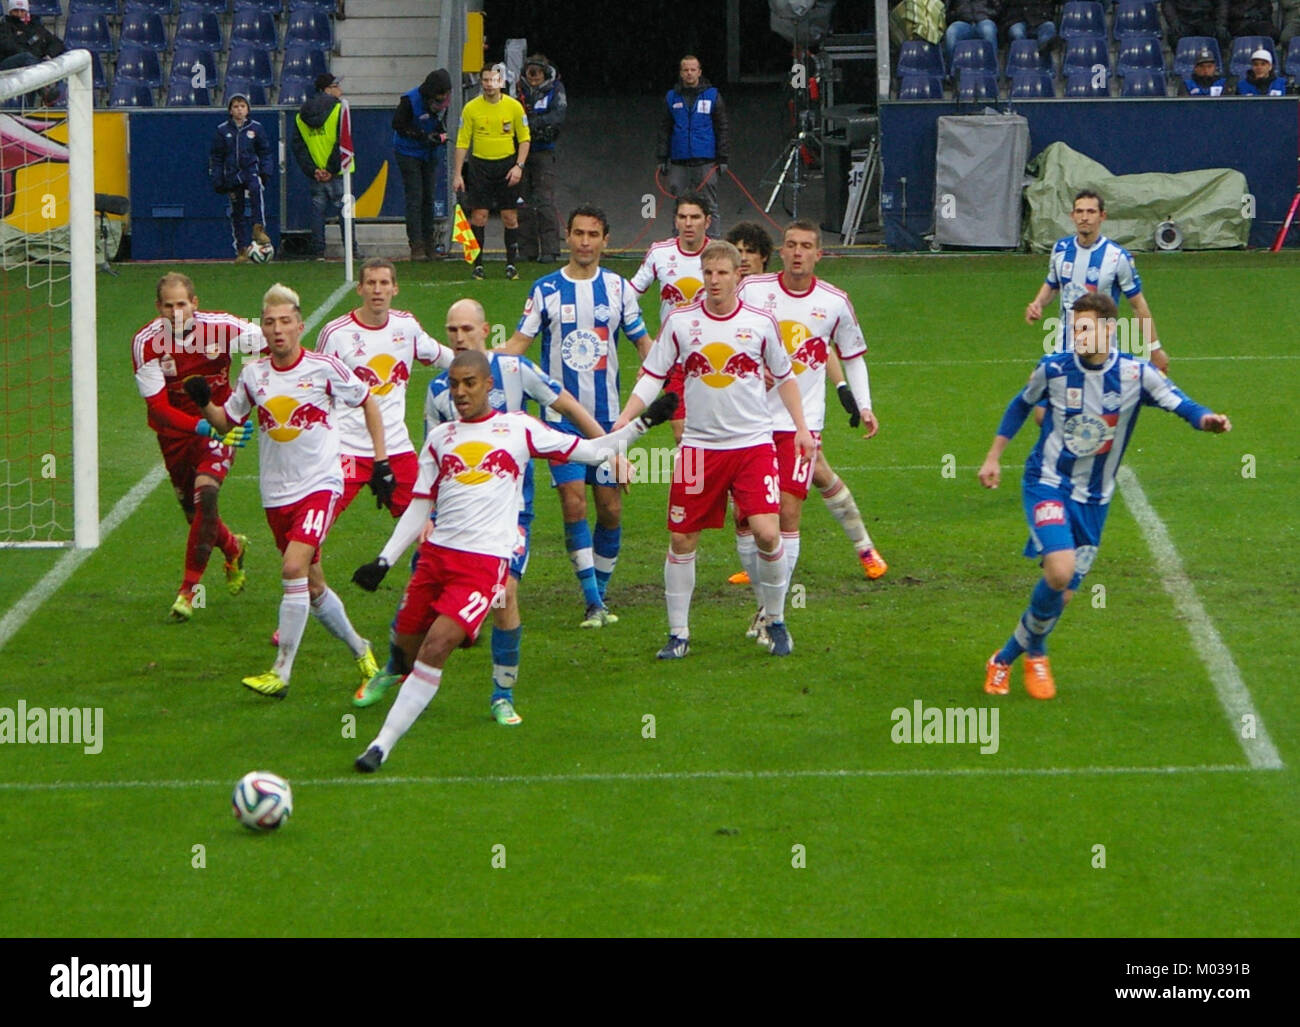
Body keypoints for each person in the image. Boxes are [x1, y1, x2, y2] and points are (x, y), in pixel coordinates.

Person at [349, 350, 678, 772]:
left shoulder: (519, 428)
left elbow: (596, 451)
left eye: (469, 383)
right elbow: (419, 504)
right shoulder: (440, 439)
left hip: (483, 564)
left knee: (437, 645)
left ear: (489, 385)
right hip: (435, 559)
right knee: (407, 649)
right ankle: (409, 664)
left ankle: (380, 746)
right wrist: (384, 559)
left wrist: (645, 422)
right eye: (454, 385)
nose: (461, 392)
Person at [355, 297, 614, 723]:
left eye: (466, 329)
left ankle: (501, 694)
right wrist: (431, 515)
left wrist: (610, 448)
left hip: (510, 519)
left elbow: (566, 405)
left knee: (505, 597)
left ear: (485, 329)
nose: (458, 338)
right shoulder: (440, 390)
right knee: (417, 601)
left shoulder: (515, 370)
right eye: (451, 330)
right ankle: (394, 667)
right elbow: (434, 462)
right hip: (453, 522)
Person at [978, 292, 1232, 699]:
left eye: (1086, 327)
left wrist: (1208, 421)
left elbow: (1180, 402)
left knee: (1065, 594)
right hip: (1047, 482)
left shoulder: (1136, 374)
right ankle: (1011, 661)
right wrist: (994, 457)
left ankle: (1022, 653)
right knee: (1059, 572)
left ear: (1110, 330)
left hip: (1095, 498)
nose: (1078, 335)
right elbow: (1020, 405)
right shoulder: (1054, 369)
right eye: (1074, 327)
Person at [186, 283, 394, 700]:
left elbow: (368, 401)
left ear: (300, 325)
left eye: (285, 322)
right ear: (262, 329)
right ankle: (363, 651)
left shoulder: (323, 369)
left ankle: (281, 672)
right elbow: (228, 423)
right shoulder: (254, 375)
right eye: (269, 323)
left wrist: (381, 459)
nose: (277, 330)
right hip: (276, 494)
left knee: (292, 568)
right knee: (313, 586)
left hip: (320, 485)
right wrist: (204, 404)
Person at [614, 241, 815, 660]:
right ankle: (678, 634)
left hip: (752, 446)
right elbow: (653, 376)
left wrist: (800, 428)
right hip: (698, 448)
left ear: (738, 275)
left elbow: (786, 377)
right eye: (708, 274)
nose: (714, 281)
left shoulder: (760, 322)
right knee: (682, 538)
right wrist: (624, 423)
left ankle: (775, 620)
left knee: (767, 531)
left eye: (723, 273)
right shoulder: (681, 324)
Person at [730, 221, 880, 641]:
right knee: (745, 517)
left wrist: (862, 404)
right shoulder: (754, 291)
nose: (798, 253)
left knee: (786, 514)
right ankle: (765, 604)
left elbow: (852, 355)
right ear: (781, 251)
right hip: (749, 421)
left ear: (819, 254)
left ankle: (770, 614)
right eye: (792, 245)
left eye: (807, 247)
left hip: (800, 426)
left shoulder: (834, 302)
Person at [502, 204, 652, 627]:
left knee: (611, 510)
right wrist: (473, 361)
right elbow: (517, 345)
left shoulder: (620, 290)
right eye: (578, 233)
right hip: (559, 421)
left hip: (608, 423)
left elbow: (645, 347)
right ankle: (593, 602)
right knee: (572, 502)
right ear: (568, 236)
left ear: (606, 240)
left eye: (593, 234)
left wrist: (667, 379)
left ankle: (599, 595)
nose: (585, 242)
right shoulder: (546, 289)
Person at [131, 273, 262, 622]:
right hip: (175, 434)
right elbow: (159, 408)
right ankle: (233, 547)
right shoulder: (146, 343)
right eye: (169, 306)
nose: (176, 312)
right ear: (159, 307)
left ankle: (187, 592)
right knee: (195, 515)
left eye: (182, 304)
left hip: (220, 424)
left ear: (195, 304)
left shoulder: (223, 327)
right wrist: (200, 426)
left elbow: (266, 344)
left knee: (208, 495)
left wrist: (236, 406)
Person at [315, 258, 454, 523]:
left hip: (396, 447)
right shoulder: (335, 333)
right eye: (371, 283)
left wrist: (486, 359)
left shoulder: (407, 327)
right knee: (315, 530)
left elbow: (443, 356)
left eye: (384, 283)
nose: (377, 290)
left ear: (395, 289)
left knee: (427, 527)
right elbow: (316, 389)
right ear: (360, 289)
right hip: (346, 449)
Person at [1024, 190, 1169, 374]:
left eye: (1091, 212)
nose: (1084, 217)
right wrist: (1038, 303)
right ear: (1072, 215)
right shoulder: (1060, 249)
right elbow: (1053, 284)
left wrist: (1154, 348)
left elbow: (1138, 304)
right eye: (1079, 211)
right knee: (1042, 393)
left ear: (1102, 216)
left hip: (1101, 352)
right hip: (1064, 347)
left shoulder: (1117, 257)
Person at [630, 190, 712, 444]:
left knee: (713, 432)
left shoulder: (721, 255)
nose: (688, 224)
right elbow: (627, 297)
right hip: (674, 358)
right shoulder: (660, 253)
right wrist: (645, 342)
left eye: (695, 217)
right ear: (675, 220)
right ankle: (691, 483)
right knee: (682, 433)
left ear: (707, 221)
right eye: (683, 217)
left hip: (711, 356)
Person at [452, 65, 531, 280]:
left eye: (493, 80)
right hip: (480, 167)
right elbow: (462, 142)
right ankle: (478, 265)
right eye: (485, 80)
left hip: (507, 166)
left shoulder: (514, 107)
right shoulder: (471, 108)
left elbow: (525, 139)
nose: (489, 84)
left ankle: (511, 265)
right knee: (479, 216)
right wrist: (458, 173)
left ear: (501, 82)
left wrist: (519, 166)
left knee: (509, 216)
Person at [656, 55, 728, 238]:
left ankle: (713, 243)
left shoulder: (712, 95)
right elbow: (664, 128)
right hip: (679, 161)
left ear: (699, 72)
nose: (689, 73)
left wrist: (723, 157)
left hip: (706, 160)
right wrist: (662, 157)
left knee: (709, 204)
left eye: (693, 70)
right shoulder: (671, 97)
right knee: (679, 204)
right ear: (681, 73)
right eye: (685, 70)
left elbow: (722, 127)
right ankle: (677, 242)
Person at [291, 73, 361, 261]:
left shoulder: (300, 115)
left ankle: (318, 252)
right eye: (336, 85)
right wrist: (331, 168)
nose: (340, 90)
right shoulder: (340, 110)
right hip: (338, 172)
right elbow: (342, 141)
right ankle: (351, 251)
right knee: (346, 211)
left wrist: (313, 169)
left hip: (316, 173)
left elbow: (298, 147)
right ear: (327, 89)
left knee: (317, 213)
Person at [391, 68, 451, 262]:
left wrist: (440, 136)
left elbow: (440, 123)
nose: (443, 99)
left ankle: (429, 243)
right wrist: (422, 136)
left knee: (429, 197)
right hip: (408, 151)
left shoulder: (442, 102)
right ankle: (416, 244)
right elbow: (398, 125)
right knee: (415, 197)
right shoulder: (409, 100)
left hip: (428, 153)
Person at [209, 92, 273, 264]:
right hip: (232, 174)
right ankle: (242, 248)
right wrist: (218, 179)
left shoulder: (256, 128)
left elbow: (265, 152)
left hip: (250, 170)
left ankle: (258, 228)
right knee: (236, 211)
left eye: (242, 106)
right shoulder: (222, 130)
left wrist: (265, 172)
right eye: (235, 107)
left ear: (248, 109)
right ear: (230, 110)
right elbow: (217, 157)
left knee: (256, 190)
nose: (239, 110)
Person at [515, 53, 567, 263]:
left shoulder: (556, 89)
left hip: (543, 150)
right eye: (530, 73)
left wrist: (532, 124)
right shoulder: (517, 89)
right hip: (519, 151)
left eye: (537, 73)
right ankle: (527, 250)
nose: (533, 77)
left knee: (544, 200)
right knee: (522, 201)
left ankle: (550, 250)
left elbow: (558, 116)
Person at [0, 1, 63, 67]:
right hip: (9, 64)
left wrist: (49, 54)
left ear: (27, 11)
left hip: (36, 62)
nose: (19, 14)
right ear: (10, 12)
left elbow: (56, 42)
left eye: (22, 11)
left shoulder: (35, 25)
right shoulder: (4, 26)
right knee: (25, 57)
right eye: (15, 11)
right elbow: (9, 47)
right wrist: (37, 58)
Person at [943, 0, 1001, 66]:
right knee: (951, 32)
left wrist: (986, 13)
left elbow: (998, 9)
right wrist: (957, 13)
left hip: (984, 20)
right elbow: (947, 10)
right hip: (962, 22)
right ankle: (952, 70)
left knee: (988, 30)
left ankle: (992, 69)